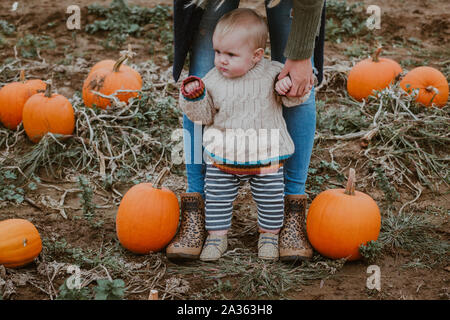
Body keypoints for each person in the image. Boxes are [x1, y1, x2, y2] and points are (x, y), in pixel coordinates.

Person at [167, 0, 326, 262]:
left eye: (227, 56)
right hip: (222, 154)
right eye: (221, 54)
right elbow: (201, 105)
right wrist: (194, 97)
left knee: (297, 77)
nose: (222, 61)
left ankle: (290, 213)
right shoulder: (217, 70)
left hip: (267, 156)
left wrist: (298, 64)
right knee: (201, 73)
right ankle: (197, 209)